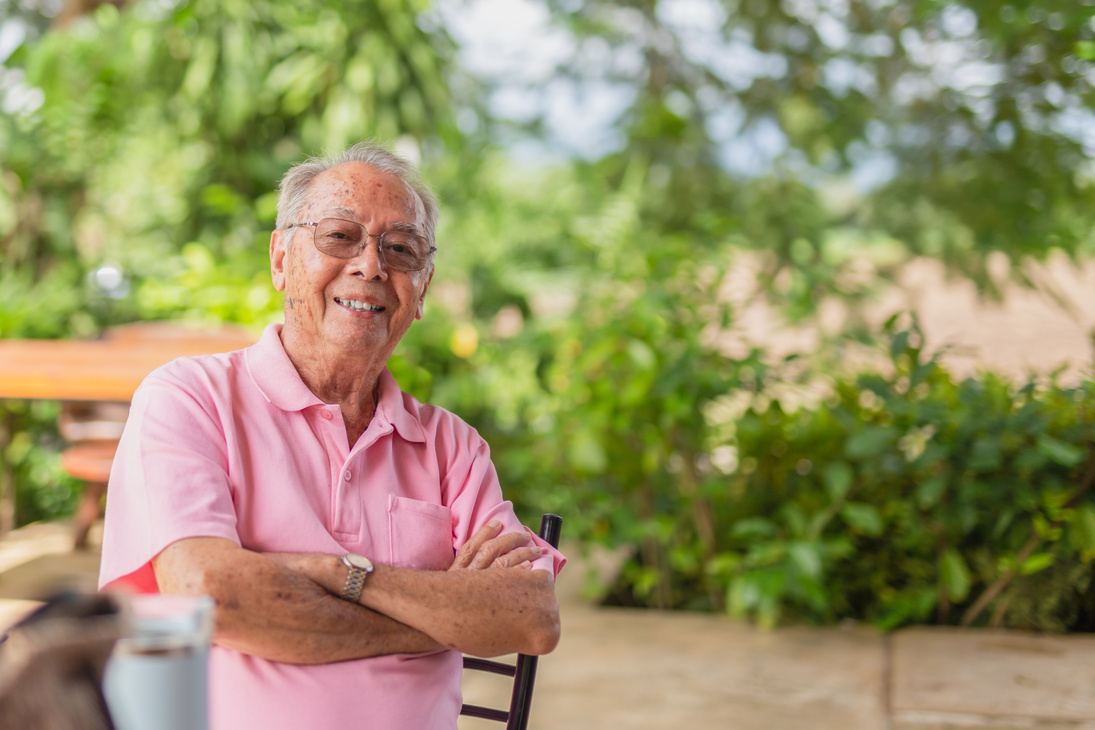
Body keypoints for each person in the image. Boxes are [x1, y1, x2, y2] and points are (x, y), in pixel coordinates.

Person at [98, 142, 565, 730]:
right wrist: (442, 609)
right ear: (280, 258)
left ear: (422, 288)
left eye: (401, 248)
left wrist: (340, 575)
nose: (371, 265)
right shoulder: (190, 398)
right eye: (340, 236)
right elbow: (211, 593)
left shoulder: (453, 446)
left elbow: (531, 615)